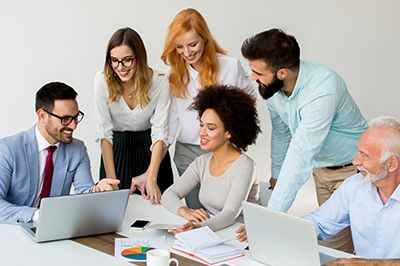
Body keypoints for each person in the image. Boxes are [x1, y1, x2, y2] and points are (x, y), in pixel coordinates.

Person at [240, 28, 368, 252]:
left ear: (282, 73)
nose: (252, 77)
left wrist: (268, 219)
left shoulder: (322, 88)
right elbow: (282, 133)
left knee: (341, 250)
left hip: (355, 172)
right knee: (332, 249)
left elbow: (301, 154)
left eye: (258, 72)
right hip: (322, 173)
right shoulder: (273, 89)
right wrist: (277, 175)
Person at [237, 117, 400, 259]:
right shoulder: (354, 185)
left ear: (391, 164)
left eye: (364, 156)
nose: (355, 161)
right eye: (358, 152)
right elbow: (318, 223)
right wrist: (268, 229)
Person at [161, 8, 255, 209]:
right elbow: (170, 121)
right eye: (179, 47)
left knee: (223, 211)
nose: (187, 53)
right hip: (187, 152)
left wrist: (232, 135)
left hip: (223, 150)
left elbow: (248, 104)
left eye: (193, 44)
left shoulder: (230, 67)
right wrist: (153, 170)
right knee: (196, 213)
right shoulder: (173, 74)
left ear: (205, 39)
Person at [0, 82, 119, 224]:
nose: (73, 125)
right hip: (14, 230)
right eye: (65, 119)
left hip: (56, 230)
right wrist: (39, 215)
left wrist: (98, 190)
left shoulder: (77, 149)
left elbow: (84, 191)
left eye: (76, 117)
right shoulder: (8, 149)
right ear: (42, 115)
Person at [161, 85, 261, 232]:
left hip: (242, 236)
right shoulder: (202, 162)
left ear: (229, 132)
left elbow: (230, 214)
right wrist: (185, 211)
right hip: (215, 232)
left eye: (211, 128)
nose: (202, 132)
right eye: (201, 125)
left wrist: (199, 227)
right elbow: (168, 195)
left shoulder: (245, 166)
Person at [94, 27, 173, 204]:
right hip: (116, 150)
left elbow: (160, 131)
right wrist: (112, 180)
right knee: (115, 210)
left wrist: (151, 177)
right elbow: (104, 133)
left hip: (151, 151)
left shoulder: (160, 80)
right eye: (114, 61)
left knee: (157, 209)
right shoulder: (101, 80)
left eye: (127, 60)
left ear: (139, 57)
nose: (120, 67)